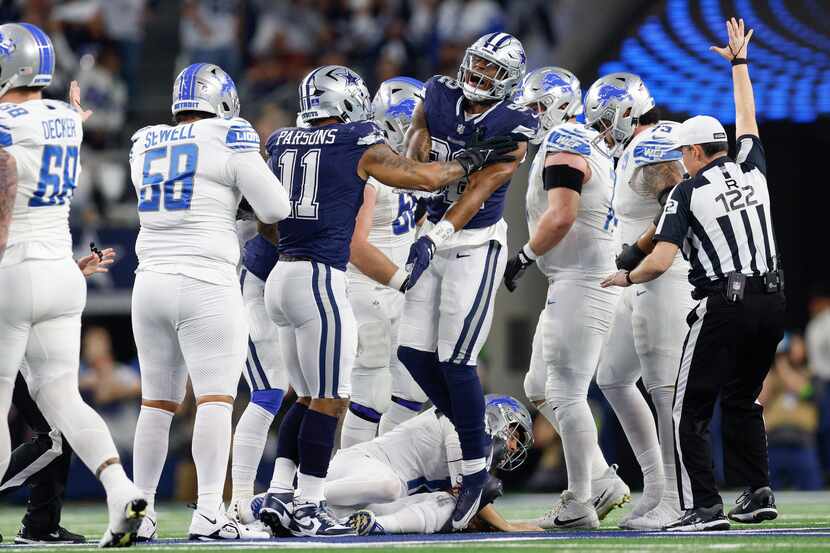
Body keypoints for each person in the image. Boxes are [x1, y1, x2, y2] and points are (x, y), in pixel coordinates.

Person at [257, 64, 519, 538]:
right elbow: (425, 178)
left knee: (304, 396)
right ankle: (309, 502)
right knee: (332, 399)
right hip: (320, 278)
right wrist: (470, 160)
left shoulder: (278, 140)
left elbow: (265, 221)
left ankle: (279, 491)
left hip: (281, 274)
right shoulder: (354, 140)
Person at [601, 18, 785, 532]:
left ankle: (703, 507)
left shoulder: (687, 190)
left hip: (724, 302)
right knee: (743, 398)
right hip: (773, 300)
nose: (681, 159)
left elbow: (660, 258)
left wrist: (626, 277)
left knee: (687, 409)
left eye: (685, 152)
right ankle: (758, 490)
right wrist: (740, 63)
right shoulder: (751, 164)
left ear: (696, 153)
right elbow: (747, 118)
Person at [129, 62, 290, 541]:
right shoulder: (231, 134)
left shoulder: (145, 141)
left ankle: (140, 512)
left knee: (155, 405)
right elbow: (275, 207)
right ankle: (208, 512)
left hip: (149, 280)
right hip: (205, 280)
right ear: (222, 102)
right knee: (216, 401)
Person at [0, 22, 145, 548]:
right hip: (62, 270)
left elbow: (6, 185)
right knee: (64, 397)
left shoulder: (8, 123)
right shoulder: (67, 118)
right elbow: (62, 122)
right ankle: (118, 488)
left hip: (14, 268)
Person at [397, 32, 539, 531]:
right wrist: (417, 164)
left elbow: (478, 191)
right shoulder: (438, 91)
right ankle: (472, 433)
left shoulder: (513, 125)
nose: (476, 78)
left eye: (489, 73)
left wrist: (433, 235)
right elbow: (419, 126)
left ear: (509, 83)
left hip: (474, 244)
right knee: (411, 351)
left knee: (455, 358)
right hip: (432, 230)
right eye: (475, 66)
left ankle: (475, 472)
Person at [506, 66, 630, 529]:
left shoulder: (565, 142)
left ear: (561, 103)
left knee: (565, 391)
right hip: (576, 279)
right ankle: (599, 477)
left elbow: (561, 216)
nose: (533, 115)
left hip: (583, 280)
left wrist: (522, 255)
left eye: (539, 106)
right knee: (539, 387)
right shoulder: (582, 139)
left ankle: (579, 502)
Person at [582, 72, 693, 530]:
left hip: (666, 277)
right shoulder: (632, 150)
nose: (603, 132)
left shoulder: (658, 142)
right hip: (637, 281)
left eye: (606, 121)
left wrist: (638, 252)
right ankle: (657, 485)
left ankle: (679, 497)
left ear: (626, 113)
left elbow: (680, 200)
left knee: (667, 392)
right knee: (613, 377)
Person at [0, 247, 114, 545]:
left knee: (58, 432)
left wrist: (65, 275)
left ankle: (41, 524)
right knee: (56, 436)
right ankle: (41, 524)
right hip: (11, 331)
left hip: (19, 321)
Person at [341, 76, 428, 447]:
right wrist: (401, 279)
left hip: (394, 286)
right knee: (371, 391)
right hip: (366, 285)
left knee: (412, 390)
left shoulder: (404, 164)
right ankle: (348, 479)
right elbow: (355, 245)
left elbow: (412, 220)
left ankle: (380, 466)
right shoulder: (372, 163)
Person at [333, 395, 536, 535]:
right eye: (514, 435)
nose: (513, 446)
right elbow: (469, 488)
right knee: (391, 486)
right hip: (358, 467)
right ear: (495, 414)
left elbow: (464, 499)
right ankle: (305, 500)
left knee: (448, 504)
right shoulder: (460, 420)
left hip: (372, 496)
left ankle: (373, 525)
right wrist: (506, 526)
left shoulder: (476, 448)